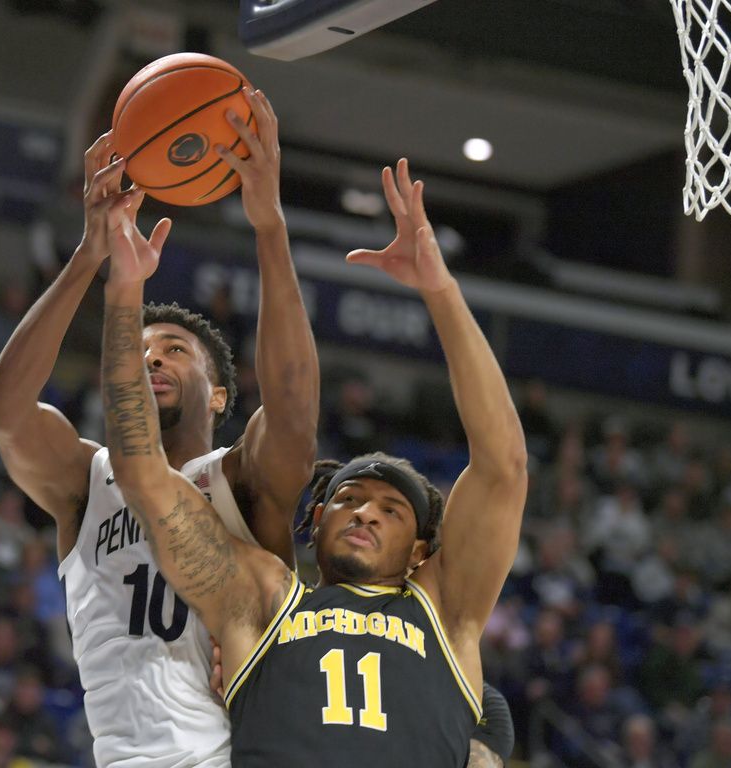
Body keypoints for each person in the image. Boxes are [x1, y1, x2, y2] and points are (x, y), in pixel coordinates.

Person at [101, 158, 526, 766]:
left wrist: (441, 289)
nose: (365, 512)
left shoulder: (445, 609)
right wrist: (122, 294)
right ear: (317, 517)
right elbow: (142, 473)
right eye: (349, 499)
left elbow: (503, 463)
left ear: (420, 552)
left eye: (391, 509)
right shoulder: (264, 595)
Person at [0, 87, 319, 768]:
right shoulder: (88, 479)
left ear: (220, 395)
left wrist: (269, 227)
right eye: (138, 350)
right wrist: (89, 255)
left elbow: (290, 406)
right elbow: (4, 414)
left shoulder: (242, 479)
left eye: (174, 351)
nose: (152, 357)